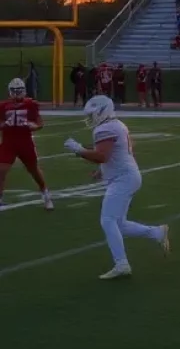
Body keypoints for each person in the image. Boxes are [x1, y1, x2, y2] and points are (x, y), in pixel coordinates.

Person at [62, 95, 169, 279]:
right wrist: (102, 171)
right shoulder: (116, 124)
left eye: (92, 114)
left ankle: (122, 264)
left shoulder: (106, 127)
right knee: (119, 223)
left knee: (107, 220)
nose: (89, 118)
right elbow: (117, 153)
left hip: (123, 178)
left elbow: (102, 156)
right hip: (126, 175)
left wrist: (78, 150)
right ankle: (157, 233)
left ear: (102, 112)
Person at [0, 77, 53, 210]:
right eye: (14, 91)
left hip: (25, 142)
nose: (16, 94)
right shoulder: (3, 106)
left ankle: (46, 194)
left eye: (19, 91)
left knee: (34, 171)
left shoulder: (31, 104)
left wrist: (33, 127)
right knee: (1, 170)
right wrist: (4, 124)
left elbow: (40, 124)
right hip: (9, 142)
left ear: (23, 90)